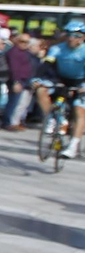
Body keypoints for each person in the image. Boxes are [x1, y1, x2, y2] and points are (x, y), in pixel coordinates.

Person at [37, 21, 85, 157]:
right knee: (41, 90)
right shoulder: (58, 48)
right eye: (69, 34)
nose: (72, 38)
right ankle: (51, 118)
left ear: (83, 37)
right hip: (61, 79)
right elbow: (46, 65)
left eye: (76, 35)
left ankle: (73, 146)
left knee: (79, 111)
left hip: (80, 80)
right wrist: (36, 78)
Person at [4, 32, 36, 130]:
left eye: (27, 42)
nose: (25, 44)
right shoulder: (14, 52)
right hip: (17, 80)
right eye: (22, 41)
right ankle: (8, 123)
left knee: (21, 103)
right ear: (17, 41)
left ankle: (15, 122)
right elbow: (14, 68)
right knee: (14, 102)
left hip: (25, 80)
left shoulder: (26, 52)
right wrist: (16, 82)